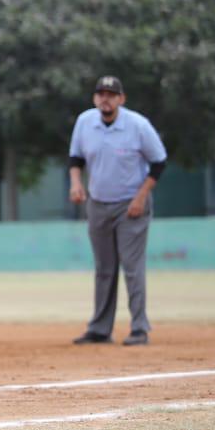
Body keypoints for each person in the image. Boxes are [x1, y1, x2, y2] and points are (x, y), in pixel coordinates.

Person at [68, 75, 168, 346]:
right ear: (94, 98)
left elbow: (158, 162)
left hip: (131, 205)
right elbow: (75, 158)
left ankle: (139, 328)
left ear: (121, 99)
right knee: (104, 269)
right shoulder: (85, 122)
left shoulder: (137, 125)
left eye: (111, 94)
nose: (105, 98)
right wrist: (76, 183)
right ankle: (100, 329)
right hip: (98, 203)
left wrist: (141, 197)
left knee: (132, 268)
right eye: (101, 93)